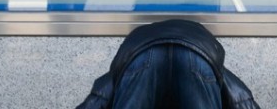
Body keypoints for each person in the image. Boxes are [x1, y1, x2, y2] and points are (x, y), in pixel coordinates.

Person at [76, 19, 259, 109]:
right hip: (197, 53)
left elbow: (98, 100)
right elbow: (242, 100)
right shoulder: (217, 73)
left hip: (142, 52)